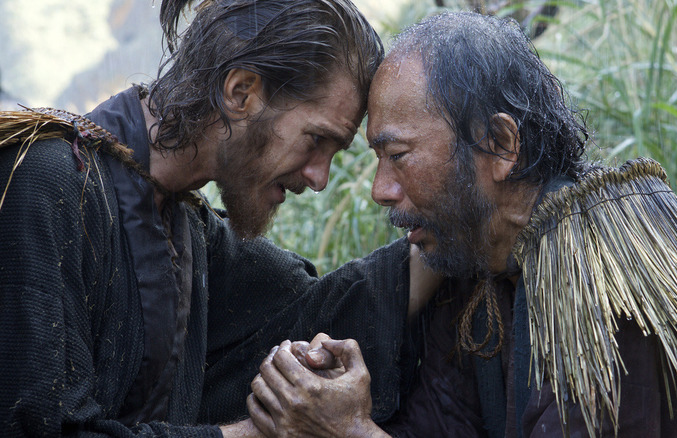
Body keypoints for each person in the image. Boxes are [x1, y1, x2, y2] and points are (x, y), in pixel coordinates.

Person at [247, 11, 677, 438]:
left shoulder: (608, 283)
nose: (379, 189)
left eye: (399, 155)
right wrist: (334, 401)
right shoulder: (479, 266)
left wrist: (349, 433)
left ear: (500, 145)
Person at [0, 0, 438, 436]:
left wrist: (454, 218)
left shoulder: (186, 224)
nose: (319, 177)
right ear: (241, 92)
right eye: (316, 139)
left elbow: (320, 307)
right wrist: (262, 430)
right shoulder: (43, 180)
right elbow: (38, 426)